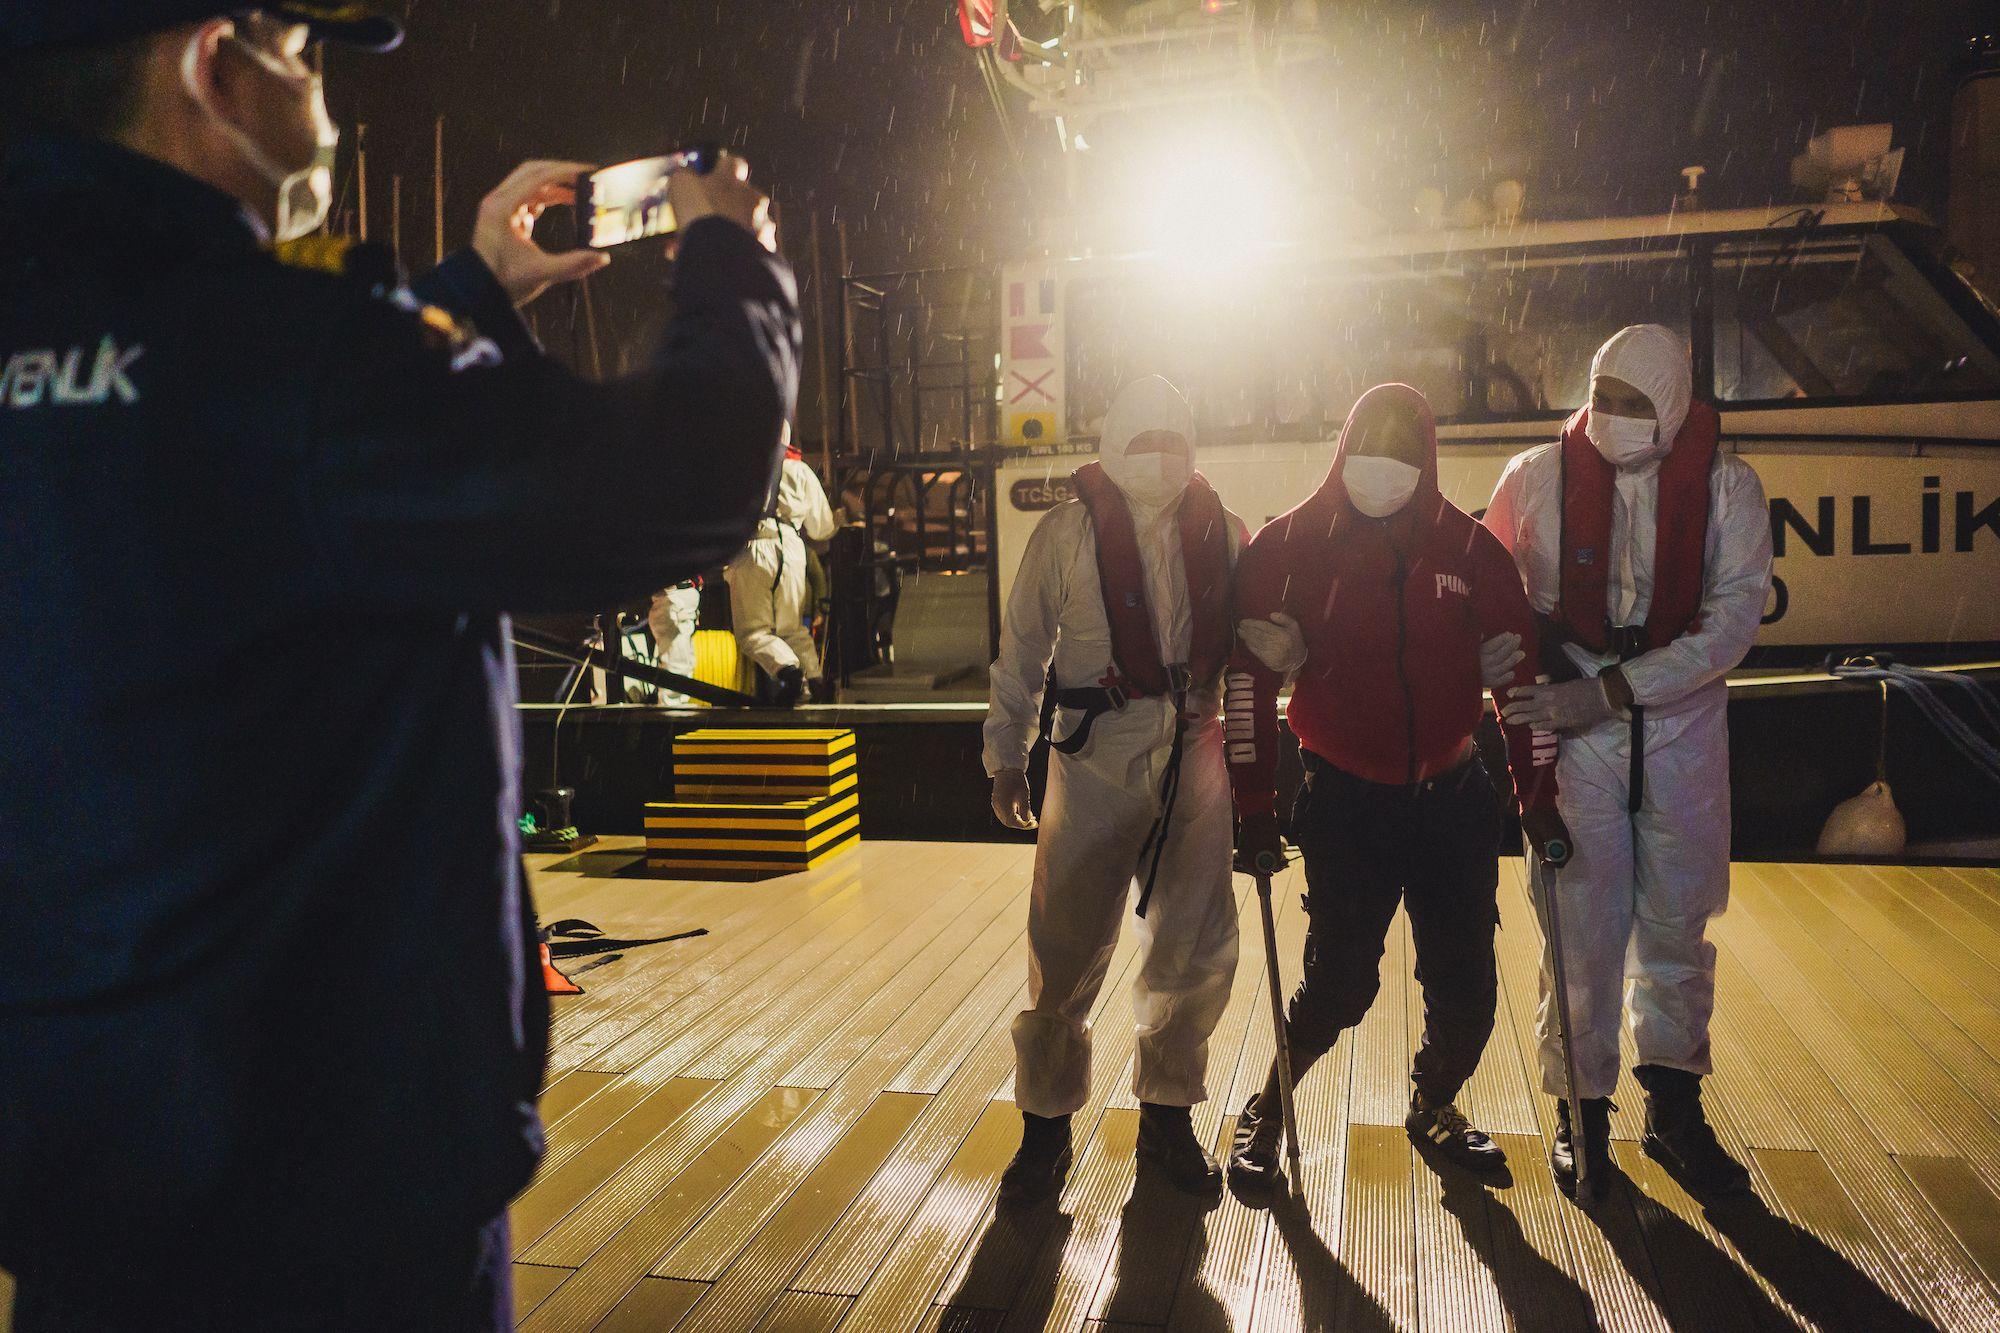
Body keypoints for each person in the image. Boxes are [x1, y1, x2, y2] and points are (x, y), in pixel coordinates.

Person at [0, 3, 799, 1325]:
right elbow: (679, 486)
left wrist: (471, 295)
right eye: (304, 55)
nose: (322, 97)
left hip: (79, 1164)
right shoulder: (298, 358)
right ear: (216, 65)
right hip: (327, 1183)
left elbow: (233, 481)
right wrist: (732, 260)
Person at [1222, 384, 1569, 1193]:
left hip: (1452, 795)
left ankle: (1434, 1103)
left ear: (1428, 458)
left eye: (1402, 452)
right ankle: (1268, 1109)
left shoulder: (1473, 551)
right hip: (1346, 800)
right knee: (1338, 983)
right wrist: (1253, 805)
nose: (1384, 468)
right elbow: (1246, 686)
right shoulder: (1287, 545)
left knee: (1470, 987)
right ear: (1342, 447)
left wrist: (1536, 790)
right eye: (1367, 447)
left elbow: (1523, 677)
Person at [1481, 324, 1772, 1200]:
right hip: (1571, 721)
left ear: (1676, 406)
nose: (1612, 417)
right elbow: (1492, 587)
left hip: (1682, 727)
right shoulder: (1533, 478)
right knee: (1580, 922)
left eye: (1635, 404)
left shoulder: (1729, 490)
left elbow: (1729, 623)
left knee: (1681, 920)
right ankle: (1580, 1111)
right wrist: (1502, 670)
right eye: (1603, 395)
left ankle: (1675, 1108)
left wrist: (1616, 692)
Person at [985, 376, 1246, 1203]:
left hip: (1196, 756)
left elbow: (1252, 650)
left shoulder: (1225, 532)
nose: (1161, 459)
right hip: (1093, 758)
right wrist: (1005, 754)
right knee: (1063, 943)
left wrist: (1258, 769)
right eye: (1144, 440)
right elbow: (1022, 648)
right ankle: (1045, 1131)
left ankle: (1167, 1123)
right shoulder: (1064, 534)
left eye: (1175, 441)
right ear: (1111, 444)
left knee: (1195, 945)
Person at [727, 427, 836, 706]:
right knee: (792, 628)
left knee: (753, 633)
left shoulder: (741, 468)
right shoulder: (801, 471)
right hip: (792, 547)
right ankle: (815, 681)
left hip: (754, 548)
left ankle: (789, 670)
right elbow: (822, 528)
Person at [648, 578, 703, 702]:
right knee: (678, 662)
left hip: (678, 595)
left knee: (680, 661)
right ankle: (674, 712)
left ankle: (675, 710)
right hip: (675, 596)